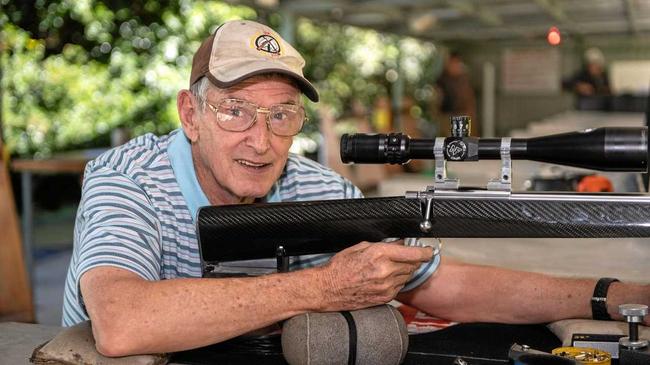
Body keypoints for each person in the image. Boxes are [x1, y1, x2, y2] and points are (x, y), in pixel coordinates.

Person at [63, 20, 650, 357]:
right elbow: (122, 320)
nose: (261, 141)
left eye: (283, 116)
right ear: (191, 114)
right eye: (234, 111)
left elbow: (447, 286)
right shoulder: (128, 177)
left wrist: (614, 295)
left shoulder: (314, 187)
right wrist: (321, 287)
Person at [434, 51, 478, 137]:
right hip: (447, 117)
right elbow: (436, 101)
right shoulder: (442, 80)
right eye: (453, 63)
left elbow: (469, 100)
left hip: (463, 116)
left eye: (457, 63)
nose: (456, 66)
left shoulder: (463, 80)